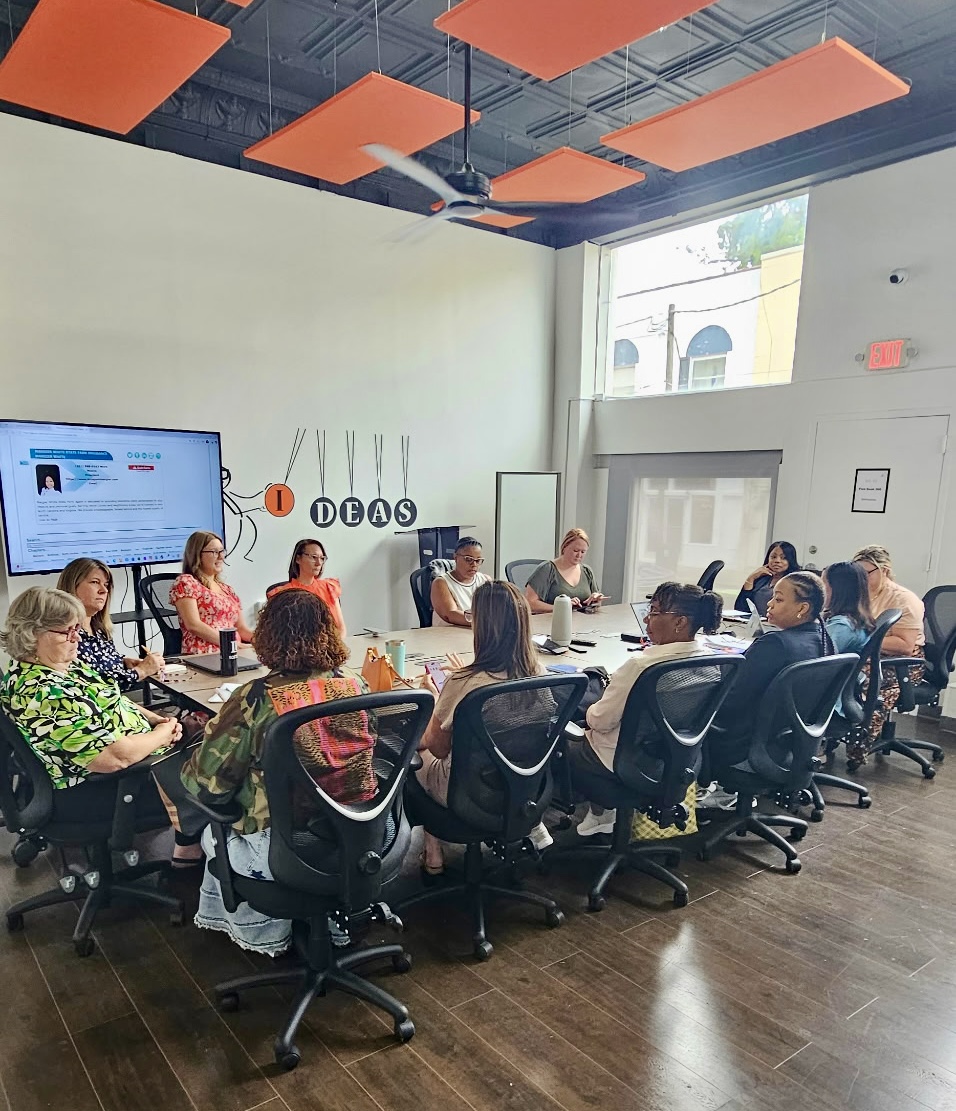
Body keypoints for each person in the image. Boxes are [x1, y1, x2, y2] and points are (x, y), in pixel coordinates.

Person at [180, 590, 377, 955]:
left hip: (281, 848)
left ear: (268, 635)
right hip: (357, 834)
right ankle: (333, 926)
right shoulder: (355, 685)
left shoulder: (256, 698)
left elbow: (209, 786)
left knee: (210, 824)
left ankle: (265, 935)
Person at [0, 588, 199, 860]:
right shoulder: (44, 692)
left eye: (76, 629)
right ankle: (191, 854)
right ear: (32, 634)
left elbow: (113, 699)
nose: (76, 638)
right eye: (66, 632)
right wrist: (162, 735)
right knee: (216, 770)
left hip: (132, 759)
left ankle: (192, 842)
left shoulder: (61, 667)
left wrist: (154, 719)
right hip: (103, 788)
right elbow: (113, 758)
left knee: (206, 738)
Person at [417, 580, 555, 874]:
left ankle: (433, 852)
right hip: (522, 786)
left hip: (469, 793)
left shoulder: (463, 683)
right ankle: (531, 825)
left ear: (483, 626)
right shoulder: (540, 673)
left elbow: (437, 748)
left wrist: (433, 699)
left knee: (413, 753)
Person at [570, 582, 723, 836]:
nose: (646, 619)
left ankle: (576, 819)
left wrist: (591, 708)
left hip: (621, 761)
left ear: (680, 622)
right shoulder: (713, 660)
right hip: (675, 761)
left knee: (559, 737)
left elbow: (600, 722)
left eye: (654, 612)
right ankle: (603, 815)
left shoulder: (642, 666)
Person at [710, 571, 834, 777]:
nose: (769, 604)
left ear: (802, 608)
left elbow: (732, 700)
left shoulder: (775, 644)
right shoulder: (826, 641)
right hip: (788, 744)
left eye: (778, 599)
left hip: (743, 746)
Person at [850, 544, 925, 759]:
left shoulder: (903, 599)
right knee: (836, 673)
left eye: (866, 573)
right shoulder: (860, 594)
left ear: (884, 570)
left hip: (904, 661)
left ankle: (859, 744)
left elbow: (905, 645)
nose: (860, 579)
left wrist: (864, 640)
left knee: (865, 681)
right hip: (868, 653)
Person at [57, 557, 165, 690]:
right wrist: (142, 671)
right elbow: (97, 687)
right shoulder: (66, 635)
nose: (104, 590)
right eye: (95, 582)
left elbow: (101, 665)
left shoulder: (99, 629)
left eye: (106, 584)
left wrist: (123, 663)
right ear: (72, 586)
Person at [170, 531, 254, 656]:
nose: (221, 557)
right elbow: (194, 625)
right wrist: (233, 644)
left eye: (222, 551)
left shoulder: (227, 590)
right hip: (204, 653)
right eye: (214, 552)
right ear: (197, 555)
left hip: (234, 652)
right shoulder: (186, 582)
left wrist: (263, 641)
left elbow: (241, 629)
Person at [267, 538, 347, 637]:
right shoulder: (282, 594)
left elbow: (341, 628)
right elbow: (278, 634)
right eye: (314, 557)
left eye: (322, 558)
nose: (318, 563)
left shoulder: (329, 587)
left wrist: (336, 644)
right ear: (298, 559)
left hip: (331, 644)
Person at [525, 528, 605, 614]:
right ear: (564, 547)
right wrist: (561, 607)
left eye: (583, 552)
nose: (579, 555)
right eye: (575, 550)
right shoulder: (547, 569)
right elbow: (530, 603)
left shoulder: (587, 571)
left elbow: (597, 603)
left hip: (583, 620)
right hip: (553, 619)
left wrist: (596, 599)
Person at [430, 537, 491, 627]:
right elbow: (451, 614)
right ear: (456, 557)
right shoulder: (441, 583)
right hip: (449, 632)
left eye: (478, 560)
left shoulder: (485, 580)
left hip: (476, 630)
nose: (474, 565)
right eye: (468, 559)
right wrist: (485, 622)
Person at [735, 541, 801, 617]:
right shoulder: (761, 578)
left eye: (783, 558)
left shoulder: (796, 582)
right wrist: (751, 578)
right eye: (773, 557)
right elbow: (740, 609)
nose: (777, 561)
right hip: (757, 622)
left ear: (791, 560)